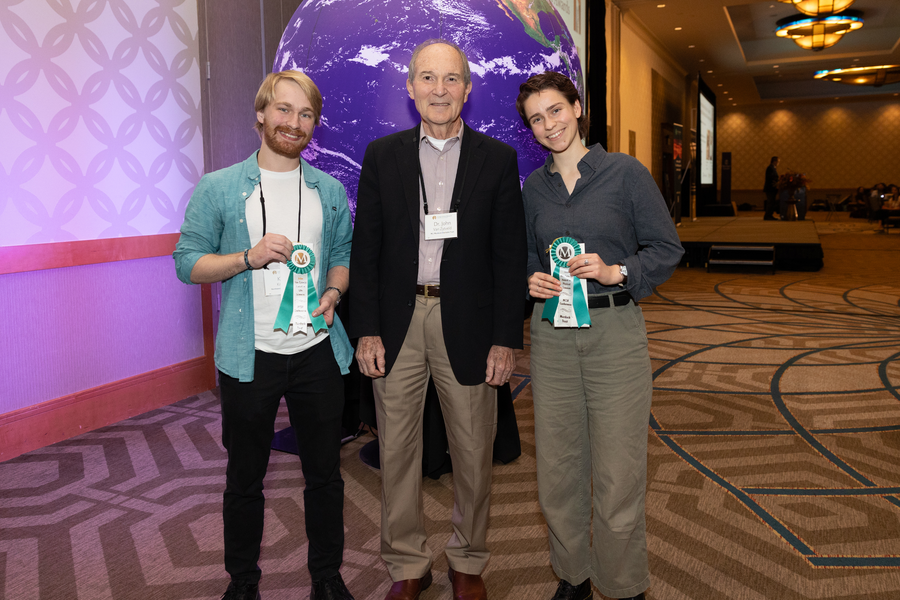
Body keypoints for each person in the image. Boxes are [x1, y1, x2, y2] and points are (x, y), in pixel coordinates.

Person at [349, 39, 526, 600]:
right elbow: (366, 250)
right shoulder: (383, 155)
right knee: (397, 451)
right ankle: (407, 564)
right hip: (399, 322)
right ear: (410, 87)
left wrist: (505, 338)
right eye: (428, 78)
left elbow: (508, 256)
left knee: (473, 447)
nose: (439, 89)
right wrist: (367, 328)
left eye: (451, 79)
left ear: (467, 90)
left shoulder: (497, 160)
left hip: (468, 322)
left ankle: (468, 559)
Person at [174, 71, 355, 600]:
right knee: (244, 478)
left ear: (314, 125)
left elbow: (340, 257)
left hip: (318, 351)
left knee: (325, 476)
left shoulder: (330, 190)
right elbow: (187, 264)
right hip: (248, 356)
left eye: (304, 115)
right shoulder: (219, 187)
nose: (292, 123)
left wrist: (335, 293)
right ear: (260, 114)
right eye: (283, 110)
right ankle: (243, 583)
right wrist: (245, 258)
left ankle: (326, 577)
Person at [515, 71, 683, 600]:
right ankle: (573, 575)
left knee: (619, 467)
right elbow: (522, 256)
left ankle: (623, 580)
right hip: (553, 337)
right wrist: (529, 279)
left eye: (556, 111)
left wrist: (618, 272)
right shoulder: (533, 189)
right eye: (537, 119)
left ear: (578, 107)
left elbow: (666, 248)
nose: (549, 125)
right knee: (559, 468)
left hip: (614, 331)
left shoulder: (624, 173)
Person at [763, 156, 780, 220]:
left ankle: (769, 214)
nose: (778, 163)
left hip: (772, 189)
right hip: (770, 189)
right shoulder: (770, 168)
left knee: (772, 202)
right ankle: (768, 215)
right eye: (778, 162)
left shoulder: (773, 168)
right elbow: (771, 178)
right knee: (770, 202)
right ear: (774, 161)